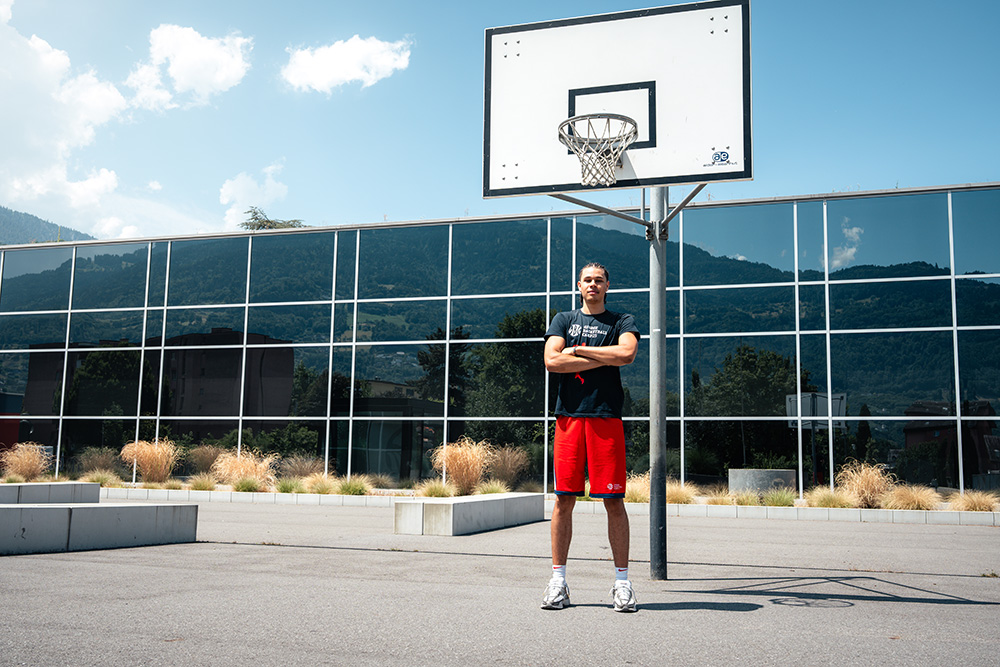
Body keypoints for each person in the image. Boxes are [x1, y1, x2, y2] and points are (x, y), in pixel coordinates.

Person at [541, 262, 640, 612]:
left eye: (599, 280)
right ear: (578, 285)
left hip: (606, 419)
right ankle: (558, 583)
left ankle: (623, 584)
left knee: (613, 502)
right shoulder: (564, 320)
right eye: (587, 280)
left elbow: (626, 354)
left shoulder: (621, 321)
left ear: (607, 285)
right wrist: (604, 358)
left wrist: (579, 351)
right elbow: (552, 362)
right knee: (563, 501)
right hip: (569, 419)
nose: (593, 285)